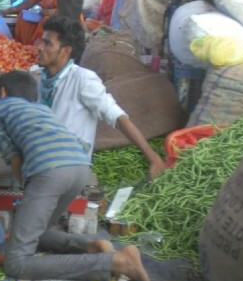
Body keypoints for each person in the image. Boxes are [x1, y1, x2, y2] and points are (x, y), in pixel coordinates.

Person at [0, 72, 149, 281]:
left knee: (16, 264)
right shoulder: (42, 109)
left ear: (2, 92)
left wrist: (26, 188)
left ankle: (116, 262)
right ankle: (93, 246)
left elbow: (11, 153)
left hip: (51, 172)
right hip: (79, 169)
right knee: (38, 233)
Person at [26, 18, 166, 176]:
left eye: (47, 44)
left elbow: (118, 117)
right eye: (41, 42)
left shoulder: (82, 79)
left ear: (66, 51)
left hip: (68, 166)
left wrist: (153, 158)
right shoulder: (44, 79)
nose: (39, 48)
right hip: (44, 161)